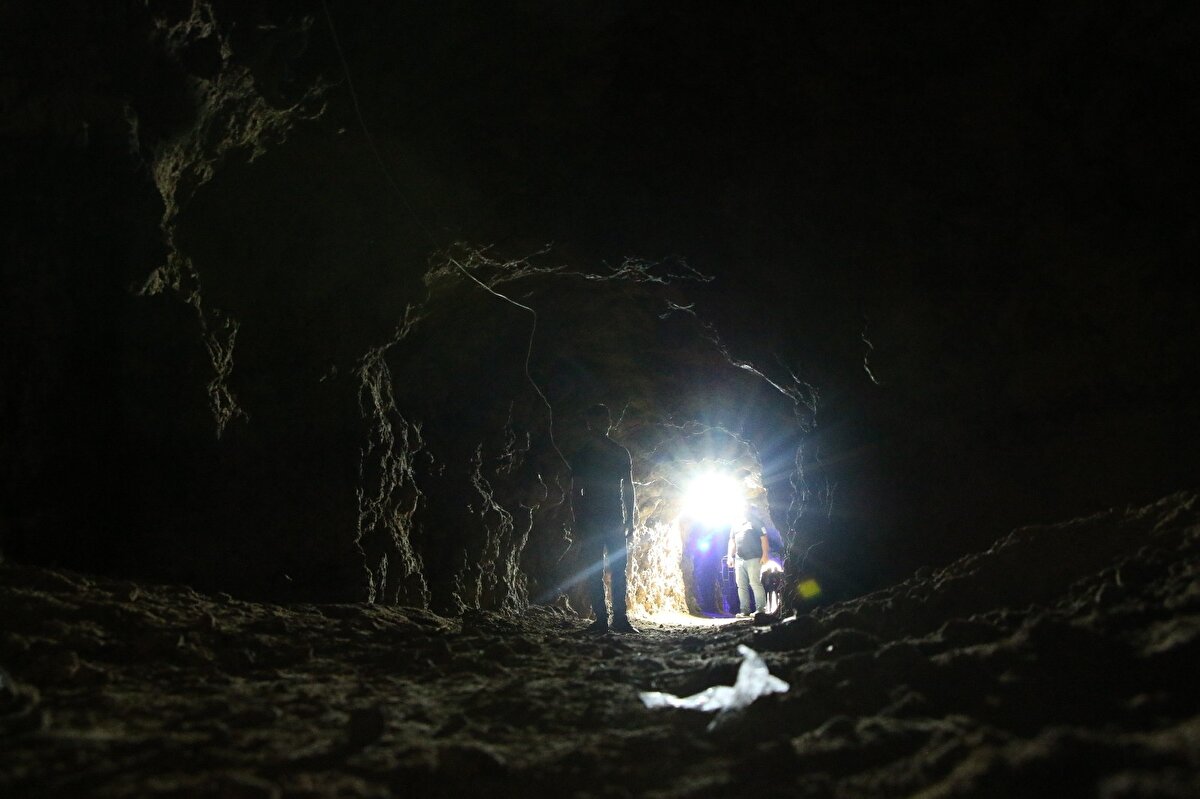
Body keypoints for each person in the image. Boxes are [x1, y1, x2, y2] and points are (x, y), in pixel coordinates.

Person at [568, 404, 638, 634]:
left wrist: (630, 516)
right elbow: (575, 489)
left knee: (616, 567)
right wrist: (578, 519)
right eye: (596, 420)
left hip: (609, 519)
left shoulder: (604, 452)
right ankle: (605, 619)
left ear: (607, 422)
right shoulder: (590, 453)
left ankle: (616, 618)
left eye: (602, 420)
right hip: (601, 519)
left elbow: (628, 487)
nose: (599, 425)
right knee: (601, 569)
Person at [726, 513, 769, 618]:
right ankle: (744, 611)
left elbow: (764, 539)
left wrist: (765, 555)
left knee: (755, 583)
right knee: (741, 585)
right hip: (739, 559)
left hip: (754, 557)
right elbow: (732, 542)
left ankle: (760, 610)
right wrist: (730, 556)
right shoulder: (735, 525)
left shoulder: (755, 522)